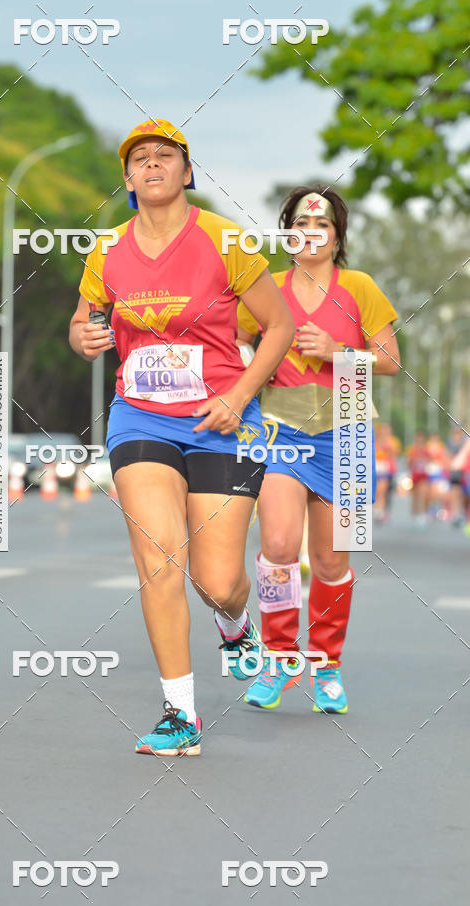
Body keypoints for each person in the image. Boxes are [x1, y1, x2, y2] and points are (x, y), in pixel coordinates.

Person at [69, 119, 294, 756]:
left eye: (164, 156)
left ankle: (235, 622)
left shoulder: (225, 240)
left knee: (217, 579)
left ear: (186, 172)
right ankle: (180, 715)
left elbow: (276, 327)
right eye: (139, 159)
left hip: (223, 419)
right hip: (141, 416)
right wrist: (83, 338)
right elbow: (84, 322)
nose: (151, 165)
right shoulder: (106, 249)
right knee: (158, 559)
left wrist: (240, 396)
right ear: (128, 179)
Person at [237, 186, 400, 714]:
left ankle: (327, 666)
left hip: (347, 427)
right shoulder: (268, 289)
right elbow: (230, 338)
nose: (311, 234)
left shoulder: (360, 287)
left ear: (337, 236)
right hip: (280, 425)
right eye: (300, 226)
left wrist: (339, 351)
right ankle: (280, 660)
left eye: (322, 226)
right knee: (280, 544)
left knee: (330, 559)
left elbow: (391, 361)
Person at [374, 423, 399, 523]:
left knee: (383, 491)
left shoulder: (392, 442)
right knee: (377, 490)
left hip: (386, 470)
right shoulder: (374, 442)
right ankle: (378, 509)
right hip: (376, 469)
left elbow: (394, 456)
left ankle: (381, 511)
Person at [407, 431, 430, 527]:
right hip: (414, 476)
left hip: (423, 476)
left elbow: (430, 461)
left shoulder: (426, 450)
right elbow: (409, 463)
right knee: (415, 496)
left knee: (423, 494)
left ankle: (422, 514)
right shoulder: (412, 450)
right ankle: (415, 514)